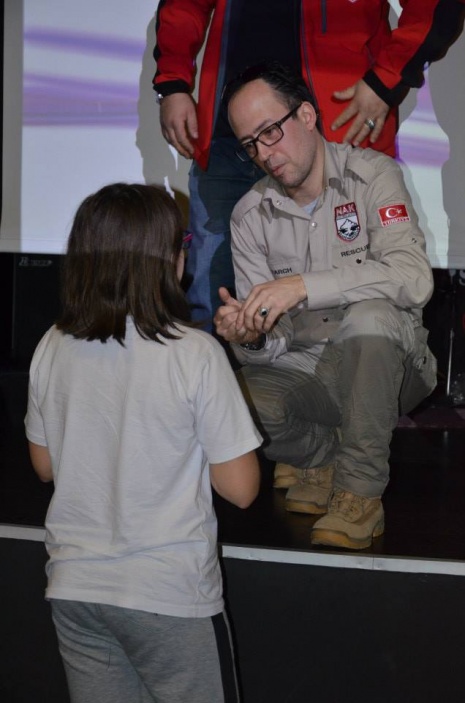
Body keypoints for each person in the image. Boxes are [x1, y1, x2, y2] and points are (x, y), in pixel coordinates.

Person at [24, 183, 262, 703]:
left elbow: (44, 465)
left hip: (74, 589)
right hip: (168, 595)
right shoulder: (194, 353)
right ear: (167, 261)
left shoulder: (51, 343)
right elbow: (241, 489)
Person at [214, 61, 437, 551]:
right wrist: (251, 335)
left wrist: (302, 286)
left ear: (308, 116)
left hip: (388, 368)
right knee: (231, 402)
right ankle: (322, 458)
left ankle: (359, 495)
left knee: (371, 316)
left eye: (271, 131)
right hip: (309, 371)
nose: (265, 154)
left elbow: (413, 279)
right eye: (251, 144)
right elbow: (272, 347)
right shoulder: (250, 215)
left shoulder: (373, 175)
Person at [153, 0, 465, 330]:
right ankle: (216, 380)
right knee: (215, 302)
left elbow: (436, 6)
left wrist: (385, 79)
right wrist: (172, 82)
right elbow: (183, 6)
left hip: (336, 130)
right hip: (231, 139)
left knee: (363, 310)